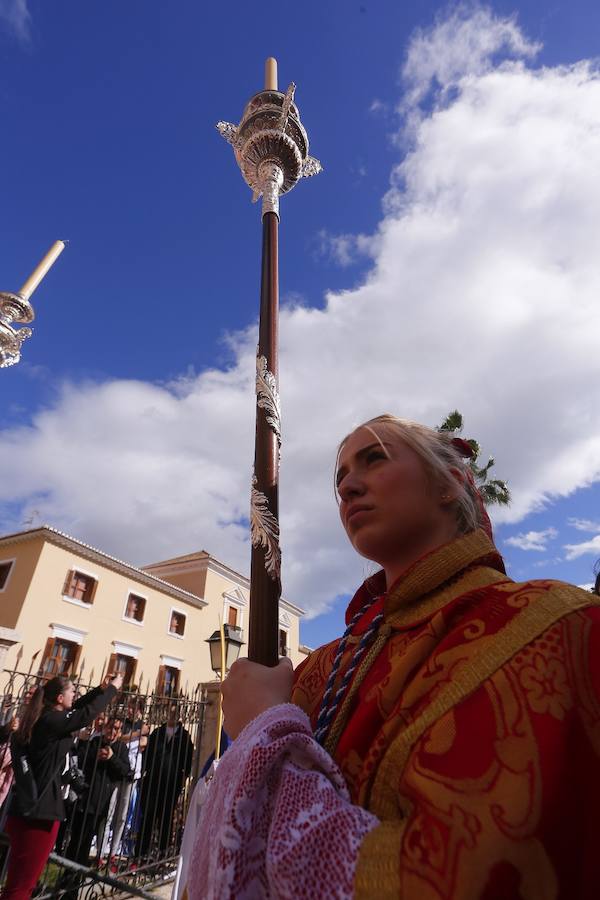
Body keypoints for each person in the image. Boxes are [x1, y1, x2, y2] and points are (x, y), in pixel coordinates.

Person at [188, 415, 600, 899]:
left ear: (451, 484)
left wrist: (262, 726)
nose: (347, 487)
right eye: (340, 478)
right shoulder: (319, 668)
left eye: (374, 458)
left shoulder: (558, 625)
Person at [2, 672, 122, 900]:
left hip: (28, 810)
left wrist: (99, 690)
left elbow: (76, 708)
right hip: (39, 815)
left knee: (18, 884)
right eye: (71, 691)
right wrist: (112, 690)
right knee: (21, 888)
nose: (74, 694)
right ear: (59, 698)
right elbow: (85, 716)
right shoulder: (51, 721)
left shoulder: (45, 718)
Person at [62, 716, 131, 878]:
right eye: (111, 727)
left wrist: (112, 758)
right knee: (75, 841)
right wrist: (96, 755)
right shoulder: (94, 742)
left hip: (101, 802)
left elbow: (125, 772)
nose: (112, 732)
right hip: (83, 798)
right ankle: (66, 877)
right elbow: (81, 758)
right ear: (105, 727)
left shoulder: (121, 748)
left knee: (85, 843)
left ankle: (75, 880)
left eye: (117, 729)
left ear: (120, 732)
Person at [136, 701, 193, 859]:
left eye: (175, 713)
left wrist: (183, 780)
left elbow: (188, 762)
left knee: (166, 820)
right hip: (152, 782)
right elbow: (147, 755)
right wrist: (144, 774)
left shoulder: (184, 737)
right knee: (147, 817)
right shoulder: (157, 733)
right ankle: (140, 854)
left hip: (171, 784)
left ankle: (161, 855)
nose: (172, 716)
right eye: (170, 713)